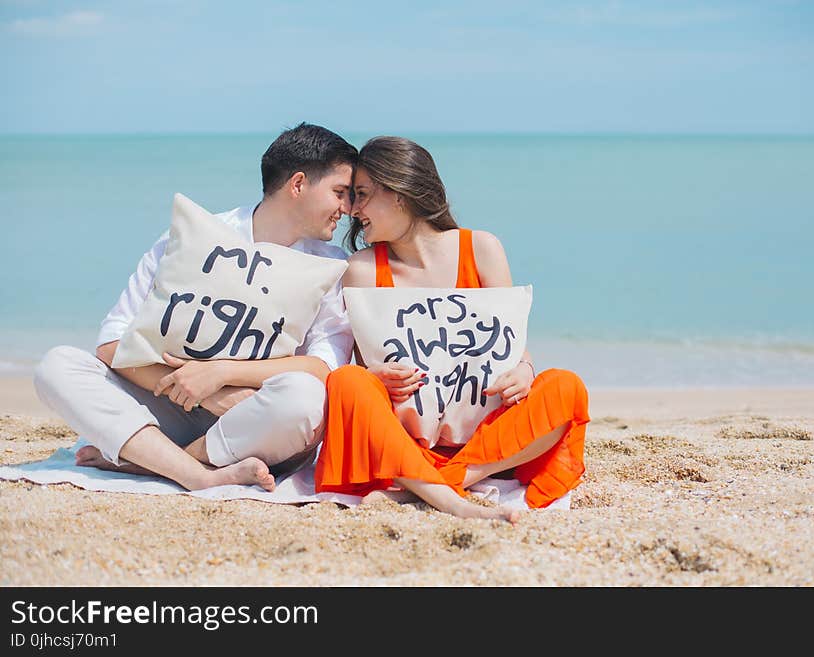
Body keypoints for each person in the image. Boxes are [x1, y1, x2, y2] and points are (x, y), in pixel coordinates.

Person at [33, 123, 358, 492]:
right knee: (58, 366)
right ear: (298, 184)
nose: (347, 209)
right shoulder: (194, 235)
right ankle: (195, 474)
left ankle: (156, 462)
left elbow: (323, 368)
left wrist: (220, 373)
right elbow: (111, 343)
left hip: (253, 415)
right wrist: (200, 389)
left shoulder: (329, 265)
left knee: (305, 399)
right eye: (339, 193)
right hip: (166, 404)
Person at [314, 136, 590, 522]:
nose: (352, 209)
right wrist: (375, 375)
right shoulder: (362, 268)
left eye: (361, 194)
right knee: (347, 382)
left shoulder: (481, 248)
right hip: (408, 441)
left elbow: (508, 342)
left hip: (488, 441)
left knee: (565, 386)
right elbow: (367, 368)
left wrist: (524, 371)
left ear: (398, 193)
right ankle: (454, 501)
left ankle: (449, 480)